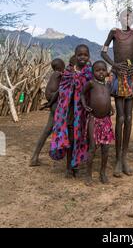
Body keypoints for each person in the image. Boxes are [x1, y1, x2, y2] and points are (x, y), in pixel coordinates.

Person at [101, 8, 133, 177]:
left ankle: (124, 158)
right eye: (125, 16)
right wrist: (114, 64)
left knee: (128, 118)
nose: (128, 18)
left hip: (131, 75)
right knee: (120, 117)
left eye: (131, 16)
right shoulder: (114, 32)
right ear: (119, 18)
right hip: (119, 74)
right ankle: (118, 160)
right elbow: (103, 51)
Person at [49, 45, 92, 177]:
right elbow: (62, 90)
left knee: (80, 138)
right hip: (69, 112)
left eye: (85, 55)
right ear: (75, 55)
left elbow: (93, 90)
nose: (82, 57)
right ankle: (69, 167)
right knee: (70, 139)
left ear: (89, 56)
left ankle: (76, 164)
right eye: (80, 55)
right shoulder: (68, 72)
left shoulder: (89, 73)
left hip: (82, 112)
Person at [80, 61, 115, 185]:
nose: (101, 72)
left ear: (106, 72)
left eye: (103, 70)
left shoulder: (107, 85)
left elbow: (106, 98)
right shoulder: (91, 83)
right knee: (92, 148)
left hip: (106, 120)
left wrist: (110, 107)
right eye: (97, 70)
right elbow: (82, 94)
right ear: (92, 72)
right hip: (94, 119)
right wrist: (84, 105)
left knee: (106, 149)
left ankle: (103, 173)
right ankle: (88, 175)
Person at [29, 58, 65, 166]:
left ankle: (34, 157)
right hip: (55, 103)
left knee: (47, 130)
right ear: (60, 67)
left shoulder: (53, 75)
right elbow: (60, 89)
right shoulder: (58, 74)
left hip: (53, 103)